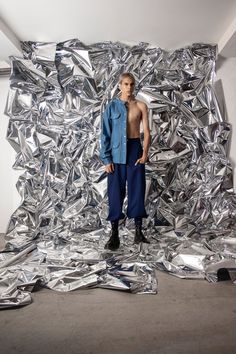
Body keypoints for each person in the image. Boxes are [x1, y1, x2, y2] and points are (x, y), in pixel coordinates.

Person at [100, 72, 151, 250]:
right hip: (116, 153)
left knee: (137, 189)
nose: (129, 87)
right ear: (120, 86)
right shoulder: (112, 107)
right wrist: (106, 159)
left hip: (135, 150)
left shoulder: (141, 106)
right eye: (126, 84)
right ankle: (114, 234)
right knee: (115, 192)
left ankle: (138, 231)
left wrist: (145, 153)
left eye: (132, 84)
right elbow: (105, 134)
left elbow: (147, 132)